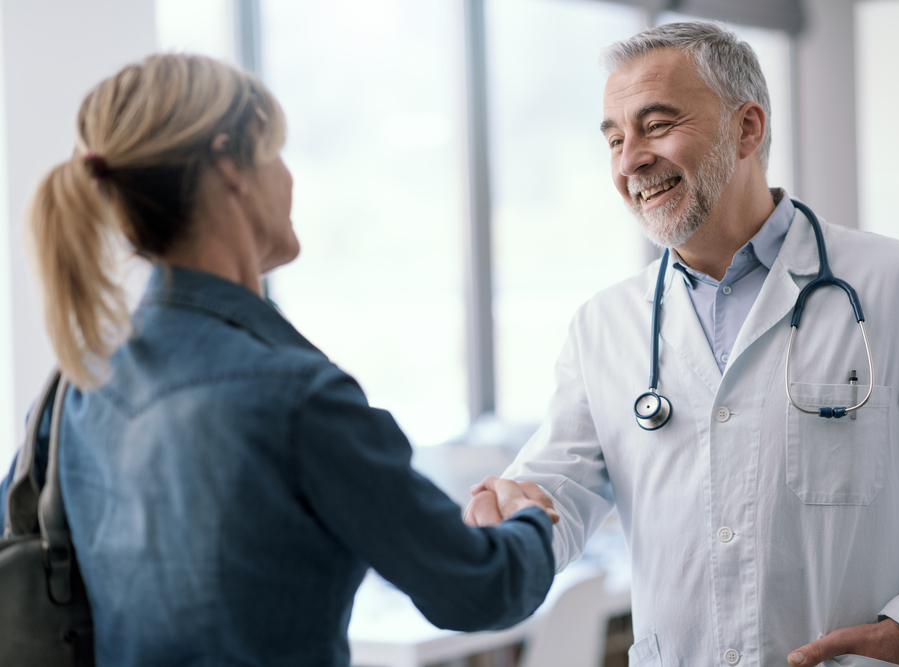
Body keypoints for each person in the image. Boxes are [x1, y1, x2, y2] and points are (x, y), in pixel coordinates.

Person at [465, 22, 899, 667]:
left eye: (656, 126)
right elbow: (556, 497)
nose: (629, 159)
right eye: (613, 138)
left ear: (747, 129)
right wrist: (511, 516)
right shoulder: (602, 326)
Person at [0, 54, 560, 667]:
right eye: (275, 154)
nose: (288, 179)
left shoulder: (75, 393)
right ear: (229, 164)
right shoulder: (297, 399)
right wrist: (530, 521)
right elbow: (481, 590)